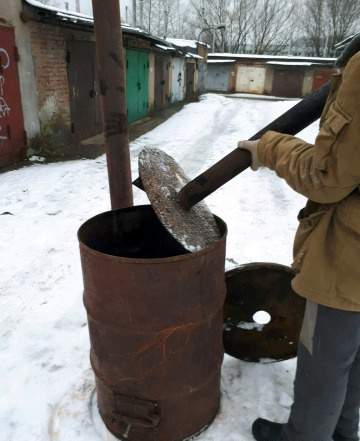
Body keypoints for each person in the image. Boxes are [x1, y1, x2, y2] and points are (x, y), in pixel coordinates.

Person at [238, 51, 360, 441]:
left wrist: (269, 148)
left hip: (351, 255)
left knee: (324, 360)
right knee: (353, 356)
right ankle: (341, 432)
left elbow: (327, 176)